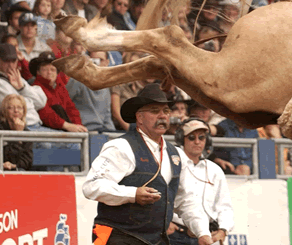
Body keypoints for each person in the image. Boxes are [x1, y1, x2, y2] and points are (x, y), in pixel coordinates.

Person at [83, 84, 214, 245]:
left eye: (166, 111)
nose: (162, 116)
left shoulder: (176, 154)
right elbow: (91, 186)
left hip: (155, 240)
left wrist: (202, 232)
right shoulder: (120, 147)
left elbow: (186, 200)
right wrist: (133, 194)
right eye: (154, 111)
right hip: (116, 236)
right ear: (139, 117)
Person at [168, 118, 233, 244]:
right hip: (176, 234)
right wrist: (165, 223)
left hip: (207, 236)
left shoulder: (215, 169)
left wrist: (223, 230)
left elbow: (224, 206)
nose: (197, 142)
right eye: (191, 137)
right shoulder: (172, 165)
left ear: (207, 140)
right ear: (182, 139)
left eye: (201, 137)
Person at [30, 52, 86, 133]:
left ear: (57, 73)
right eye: (45, 69)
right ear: (38, 72)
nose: (49, 72)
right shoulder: (35, 88)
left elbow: (71, 109)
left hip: (63, 128)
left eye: (53, 69)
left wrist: (78, 126)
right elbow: (44, 113)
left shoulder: (61, 88)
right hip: (46, 131)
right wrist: (67, 125)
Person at [0, 94, 33, 171]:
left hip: (17, 169)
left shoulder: (26, 131)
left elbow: (28, 160)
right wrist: (17, 137)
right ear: (4, 111)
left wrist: (14, 166)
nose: (16, 111)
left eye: (19, 108)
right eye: (11, 108)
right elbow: (0, 156)